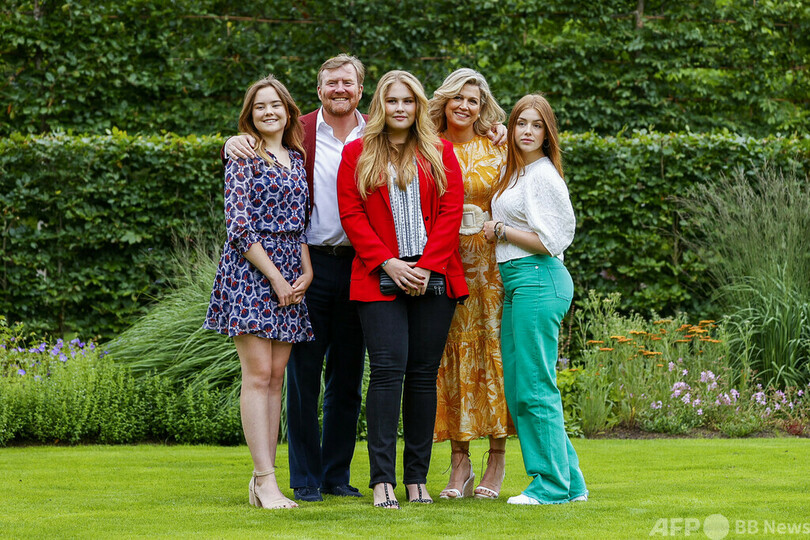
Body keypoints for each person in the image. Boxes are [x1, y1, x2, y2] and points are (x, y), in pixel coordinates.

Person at [225, 54, 367, 502]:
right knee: (296, 377)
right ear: (318, 89)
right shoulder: (299, 132)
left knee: (345, 375)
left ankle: (335, 476)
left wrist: (492, 129)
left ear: (360, 88)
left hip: (351, 264)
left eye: (347, 82)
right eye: (331, 82)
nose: (339, 89)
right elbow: (240, 203)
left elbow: (425, 134)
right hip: (288, 267)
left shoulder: (374, 131)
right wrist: (232, 140)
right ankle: (300, 479)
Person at [336, 70, 468, 509]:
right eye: (392, 100)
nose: (400, 108)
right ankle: (382, 481)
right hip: (379, 275)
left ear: (418, 107)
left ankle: (416, 479)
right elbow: (351, 214)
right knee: (387, 373)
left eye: (407, 101)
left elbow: (451, 212)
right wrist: (388, 262)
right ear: (380, 105)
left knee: (423, 376)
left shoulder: (440, 151)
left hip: (434, 277)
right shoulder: (357, 153)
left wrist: (427, 266)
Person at [203, 75, 313, 509]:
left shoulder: (296, 158)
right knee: (258, 374)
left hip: (291, 270)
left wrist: (305, 272)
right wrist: (275, 277)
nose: (269, 112)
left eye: (275, 105)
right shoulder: (243, 156)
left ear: (288, 112)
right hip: (251, 271)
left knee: (276, 377)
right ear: (250, 115)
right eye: (260, 106)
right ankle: (265, 481)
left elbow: (300, 225)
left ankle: (264, 480)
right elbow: (238, 226)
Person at [482, 93, 588, 505]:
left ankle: (550, 485)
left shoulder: (543, 175)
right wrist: (495, 133)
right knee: (519, 386)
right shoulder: (519, 171)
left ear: (548, 133)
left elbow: (553, 240)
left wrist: (500, 230)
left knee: (534, 386)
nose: (527, 131)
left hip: (538, 279)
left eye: (536, 125)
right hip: (517, 282)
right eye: (520, 123)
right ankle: (571, 483)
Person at [427, 68, 515, 500]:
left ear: (483, 109)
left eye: (473, 101)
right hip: (445, 265)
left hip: (493, 269)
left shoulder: (498, 147)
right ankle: (459, 463)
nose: (464, 106)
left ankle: (496, 459)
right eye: (458, 98)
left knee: (494, 353)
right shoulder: (426, 145)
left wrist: (507, 133)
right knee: (449, 356)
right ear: (444, 100)